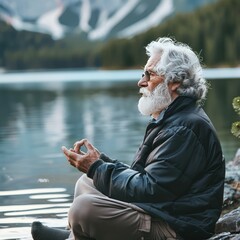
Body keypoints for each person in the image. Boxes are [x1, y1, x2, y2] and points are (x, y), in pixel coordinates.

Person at [31, 37, 225, 240]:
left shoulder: (184, 129)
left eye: (149, 74)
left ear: (175, 81)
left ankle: (76, 235)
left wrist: (97, 167)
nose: (141, 82)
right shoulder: (174, 118)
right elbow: (143, 176)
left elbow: (151, 190)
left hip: (179, 227)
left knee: (83, 208)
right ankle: (75, 236)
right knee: (86, 182)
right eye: (143, 74)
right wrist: (101, 161)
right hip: (163, 210)